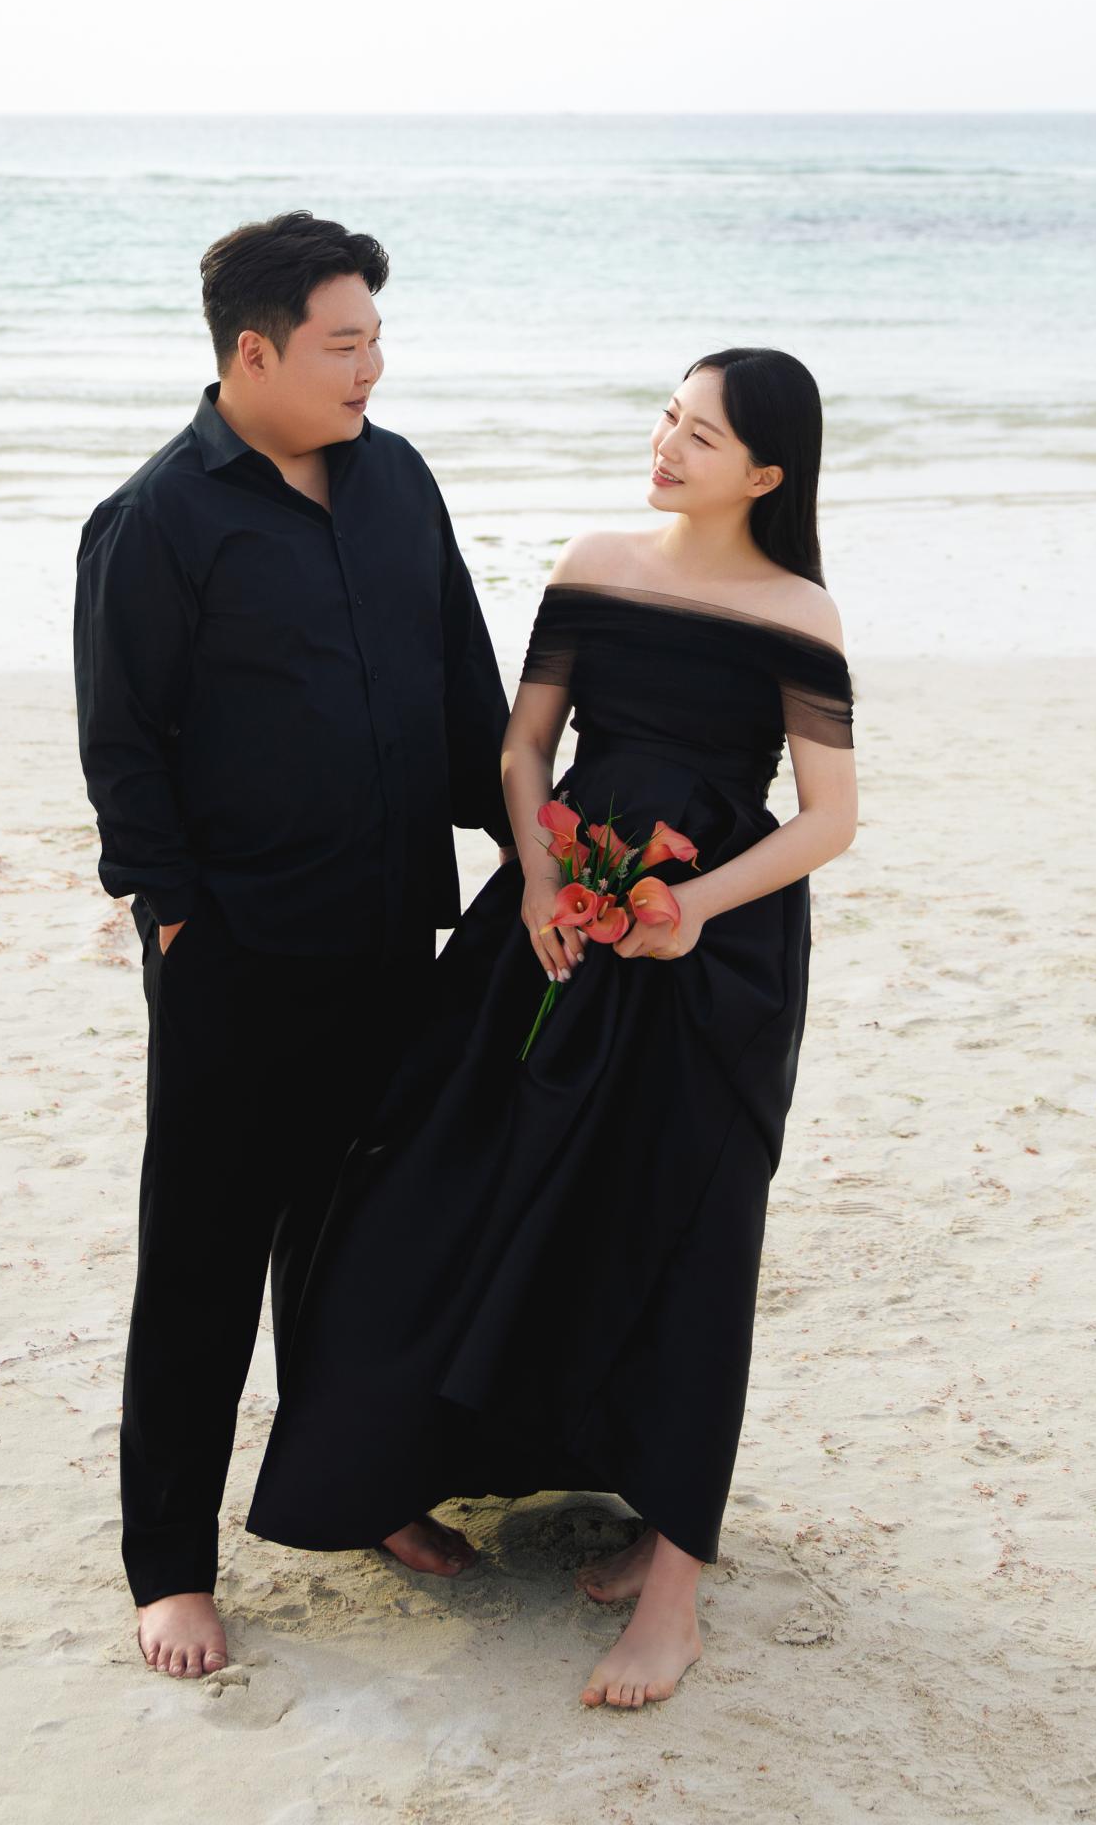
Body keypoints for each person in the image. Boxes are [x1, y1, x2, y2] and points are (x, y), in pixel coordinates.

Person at [248, 346, 859, 1709]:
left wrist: (692, 908)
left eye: (701, 437)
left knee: (688, 1235)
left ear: (766, 474)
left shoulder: (797, 612)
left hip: (711, 963)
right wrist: (535, 875)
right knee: (437, 1177)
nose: (666, 447)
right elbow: (526, 746)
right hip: (550, 927)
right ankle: (392, 1472)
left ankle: (673, 1590)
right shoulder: (595, 563)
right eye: (668, 417)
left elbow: (831, 818)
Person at [73, 210, 516, 1679]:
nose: (371, 369)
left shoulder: (398, 481)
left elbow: (463, 685)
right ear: (253, 356)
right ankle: (169, 1566)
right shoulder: (156, 520)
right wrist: (178, 920)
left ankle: (361, 1491)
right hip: (237, 959)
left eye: (377, 340)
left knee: (366, 1244)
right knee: (203, 1261)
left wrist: (532, 839)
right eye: (343, 345)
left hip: (392, 931)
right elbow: (123, 748)